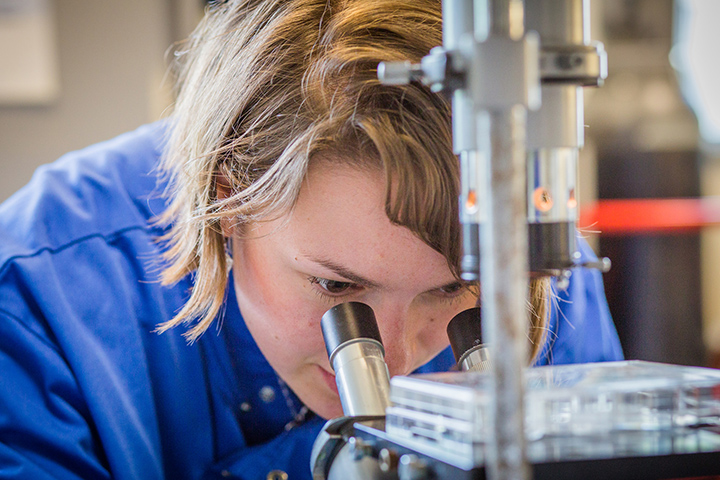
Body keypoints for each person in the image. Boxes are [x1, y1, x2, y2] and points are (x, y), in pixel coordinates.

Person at [0, 0, 623, 479]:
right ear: (227, 205)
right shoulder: (37, 298)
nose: (400, 361)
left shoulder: (526, 262)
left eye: (452, 291)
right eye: (337, 286)